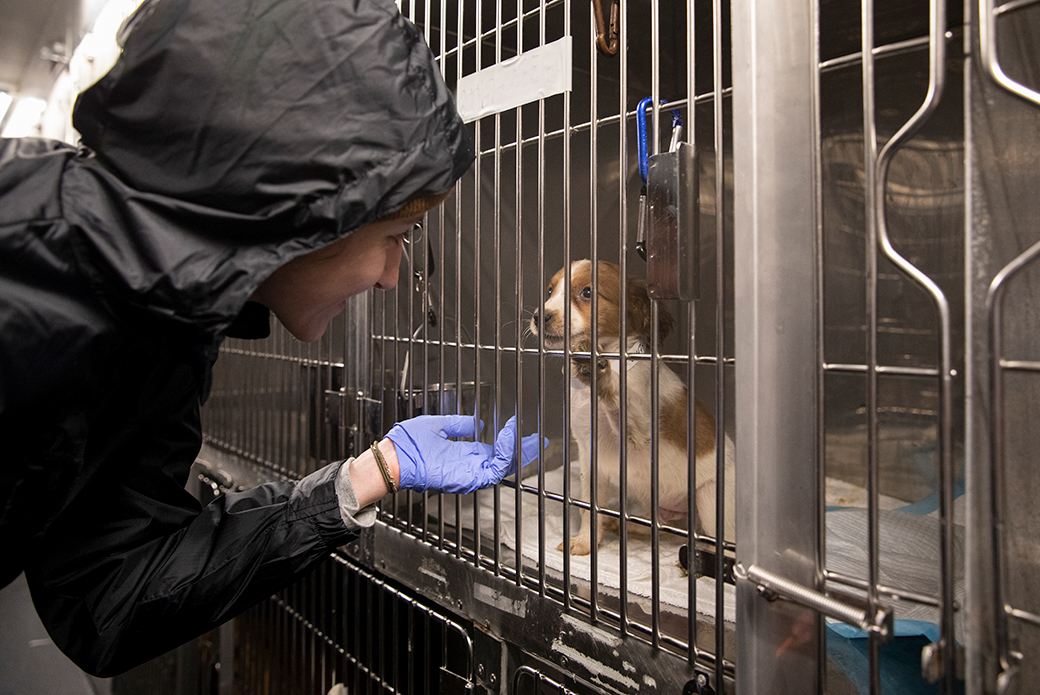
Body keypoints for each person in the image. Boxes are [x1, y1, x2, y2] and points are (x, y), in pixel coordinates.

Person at [0, 0, 542, 677]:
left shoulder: (165, 330)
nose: (392, 278)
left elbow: (107, 592)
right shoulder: (23, 264)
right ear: (308, 212)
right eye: (392, 241)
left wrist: (370, 474)